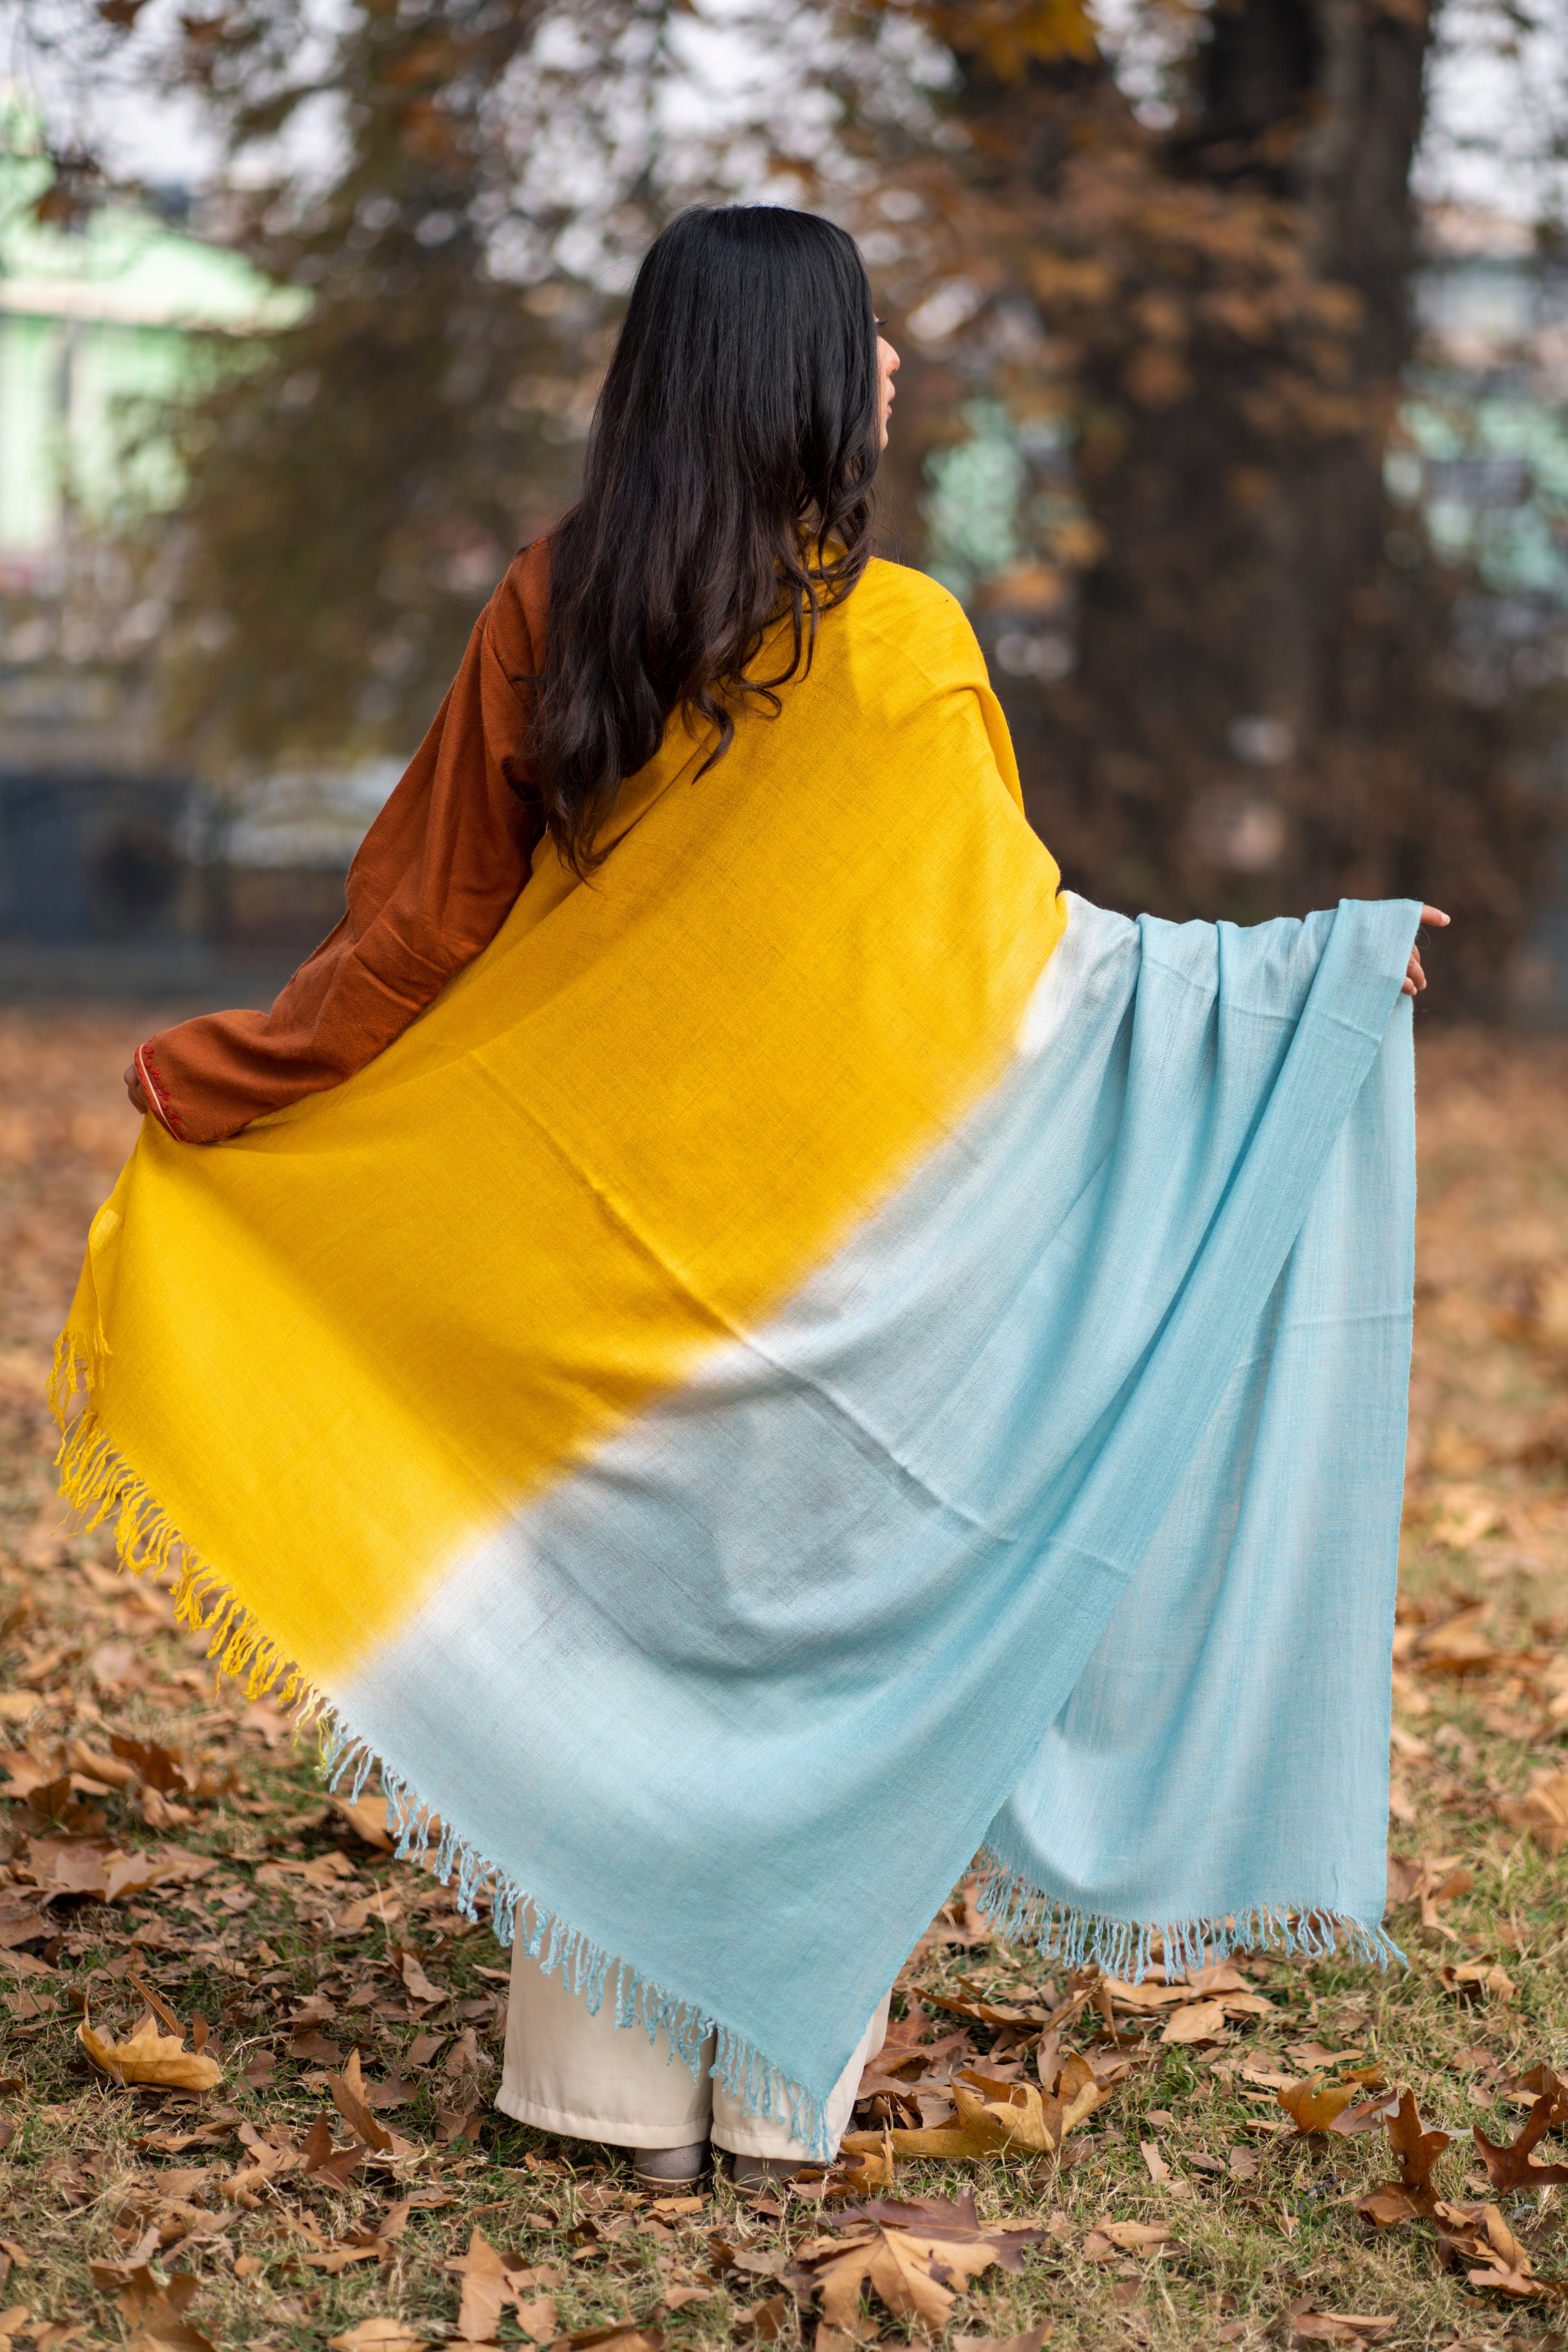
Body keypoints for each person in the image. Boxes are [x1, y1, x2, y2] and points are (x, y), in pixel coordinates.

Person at [82, 205, 1445, 2195]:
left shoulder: (557, 608)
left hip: (598, 1283)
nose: (890, 367)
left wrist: (236, 1076)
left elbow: (415, 937)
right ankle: (773, 2104)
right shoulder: (906, 642)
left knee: (615, 1651)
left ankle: (606, 2103)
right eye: (864, 335)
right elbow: (1028, 980)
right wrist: (1300, 990)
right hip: (845, 1289)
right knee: (808, 1665)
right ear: (797, 372)